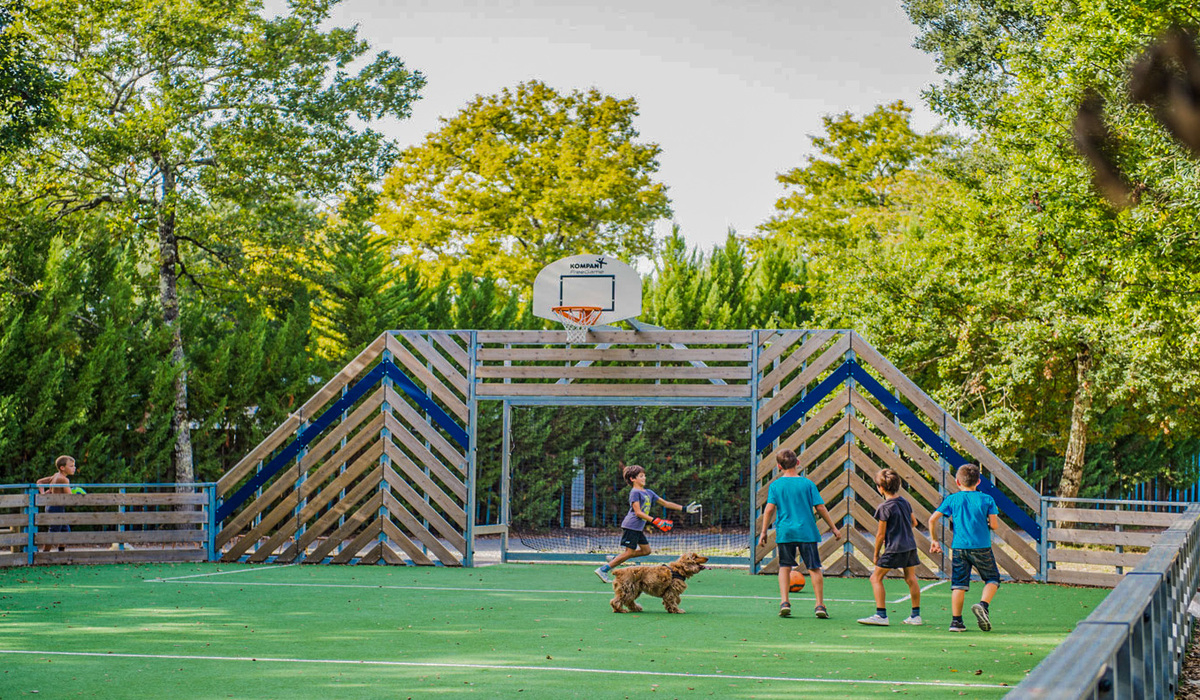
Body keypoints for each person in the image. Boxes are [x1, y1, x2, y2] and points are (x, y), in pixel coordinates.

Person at [757, 448, 842, 618]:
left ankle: (784, 602)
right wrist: (833, 527)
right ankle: (819, 605)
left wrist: (763, 532)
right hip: (807, 532)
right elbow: (820, 507)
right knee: (814, 568)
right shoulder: (807, 484)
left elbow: (769, 509)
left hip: (785, 532)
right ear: (798, 462)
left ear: (779, 466)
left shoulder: (776, 486)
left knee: (784, 567)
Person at [595, 465, 699, 584]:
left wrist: (684, 508)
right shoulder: (634, 492)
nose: (644, 478)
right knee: (629, 552)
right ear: (632, 479)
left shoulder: (648, 492)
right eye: (641, 476)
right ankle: (603, 569)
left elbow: (665, 503)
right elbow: (638, 512)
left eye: (644, 475)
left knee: (646, 550)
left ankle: (616, 559)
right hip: (631, 526)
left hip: (638, 528)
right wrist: (656, 520)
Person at [929, 463, 1001, 633]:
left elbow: (932, 519)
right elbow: (995, 525)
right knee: (993, 579)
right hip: (982, 546)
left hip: (959, 548)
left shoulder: (952, 499)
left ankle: (956, 622)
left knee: (958, 585)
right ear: (978, 481)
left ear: (957, 482)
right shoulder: (987, 499)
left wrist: (934, 540)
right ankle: (983, 605)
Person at [857, 468, 923, 626]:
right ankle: (916, 616)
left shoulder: (884, 507)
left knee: (875, 578)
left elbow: (880, 535)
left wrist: (875, 554)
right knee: (910, 578)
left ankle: (881, 615)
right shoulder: (905, 502)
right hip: (910, 546)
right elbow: (914, 523)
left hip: (894, 548)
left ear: (880, 487)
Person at [36, 455, 77, 552]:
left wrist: (42, 493)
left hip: (51, 506)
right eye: (71, 466)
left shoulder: (55, 476)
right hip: (56, 508)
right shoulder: (64, 479)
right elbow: (70, 496)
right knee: (53, 532)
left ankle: (61, 551)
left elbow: (39, 481)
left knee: (65, 530)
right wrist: (77, 492)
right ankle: (45, 554)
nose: (74, 468)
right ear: (62, 468)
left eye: (74, 466)